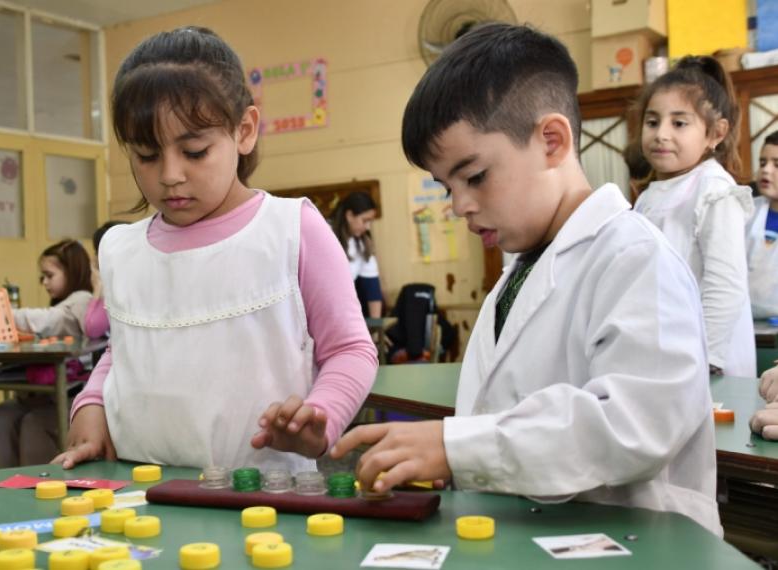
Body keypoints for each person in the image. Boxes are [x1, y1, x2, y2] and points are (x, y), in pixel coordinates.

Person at [332, 22, 721, 536]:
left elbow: (634, 425)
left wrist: (457, 448)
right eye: (445, 186)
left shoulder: (637, 259)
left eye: (473, 176)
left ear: (552, 141)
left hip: (636, 545)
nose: (459, 205)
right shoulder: (519, 273)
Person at [51, 27, 377, 471]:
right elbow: (126, 348)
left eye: (195, 151)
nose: (169, 175)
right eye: (146, 156)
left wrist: (320, 416)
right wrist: (90, 405)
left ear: (243, 132)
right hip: (138, 497)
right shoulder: (120, 249)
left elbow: (350, 350)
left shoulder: (289, 229)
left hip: (262, 498)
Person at [633, 56, 755, 378]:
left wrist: (706, 359)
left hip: (707, 363)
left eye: (679, 123)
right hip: (665, 355)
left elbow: (725, 284)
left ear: (715, 133)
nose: (661, 134)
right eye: (652, 121)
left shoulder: (714, 190)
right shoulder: (647, 197)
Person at [0, 239, 93, 467]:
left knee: (34, 422)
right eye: (42, 277)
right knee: (4, 413)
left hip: (73, 395)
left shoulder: (82, 301)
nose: (45, 282)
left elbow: (48, 321)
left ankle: (37, 483)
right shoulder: (63, 303)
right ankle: (7, 481)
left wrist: (3, 312)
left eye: (50, 275)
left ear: (72, 271)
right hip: (52, 392)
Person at [331, 192, 384, 318]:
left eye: (370, 222)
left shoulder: (362, 244)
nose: (368, 227)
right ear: (349, 216)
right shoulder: (325, 233)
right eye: (365, 220)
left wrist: (376, 330)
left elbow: (373, 290)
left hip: (344, 310)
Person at [746, 131, 778, 318]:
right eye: (762, 163)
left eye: (777, 164)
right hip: (745, 325)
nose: (766, 170)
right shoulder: (745, 213)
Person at [83, 221, 128, 339]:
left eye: (96, 252)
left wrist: (99, 288)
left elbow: (92, 329)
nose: (93, 259)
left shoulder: (118, 288)